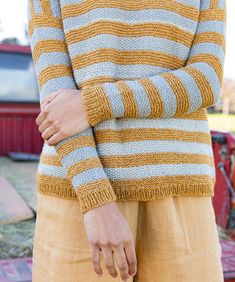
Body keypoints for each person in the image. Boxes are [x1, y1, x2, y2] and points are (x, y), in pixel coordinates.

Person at [27, 0, 226, 281]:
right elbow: (56, 101)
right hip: (78, 192)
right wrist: (96, 201)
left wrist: (93, 103)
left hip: (180, 192)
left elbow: (206, 81)